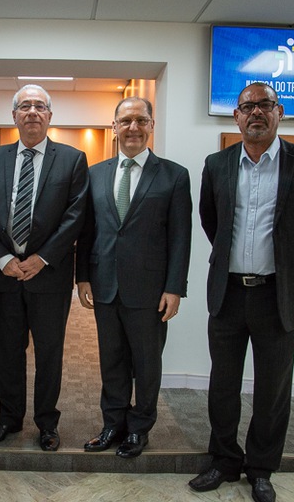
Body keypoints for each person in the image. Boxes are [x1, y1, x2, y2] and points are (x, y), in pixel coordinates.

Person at [190, 83, 294, 502]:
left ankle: (261, 469)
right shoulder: (217, 163)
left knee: (272, 388)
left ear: (280, 112)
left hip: (279, 296)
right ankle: (223, 460)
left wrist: (293, 261)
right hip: (228, 293)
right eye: (247, 107)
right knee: (223, 385)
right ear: (236, 117)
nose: (255, 113)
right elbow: (210, 220)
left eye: (264, 106)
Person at [76, 97, 192, 458]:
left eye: (141, 120)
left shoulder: (174, 174)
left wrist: (175, 287)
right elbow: (87, 230)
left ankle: (139, 429)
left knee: (146, 364)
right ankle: (112, 424)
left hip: (150, 290)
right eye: (125, 121)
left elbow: (180, 236)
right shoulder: (95, 173)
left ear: (151, 126)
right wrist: (82, 277)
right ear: (114, 127)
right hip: (105, 285)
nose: (133, 128)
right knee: (111, 360)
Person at [0, 84, 89, 452]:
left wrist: (41, 259)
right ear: (13, 116)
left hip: (50, 276)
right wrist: (5, 260)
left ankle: (46, 423)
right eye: (24, 106)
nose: (31, 112)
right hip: (6, 276)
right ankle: (8, 419)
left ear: (49, 116)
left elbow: (75, 216)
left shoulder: (72, 159)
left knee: (48, 353)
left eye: (39, 106)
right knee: (7, 353)